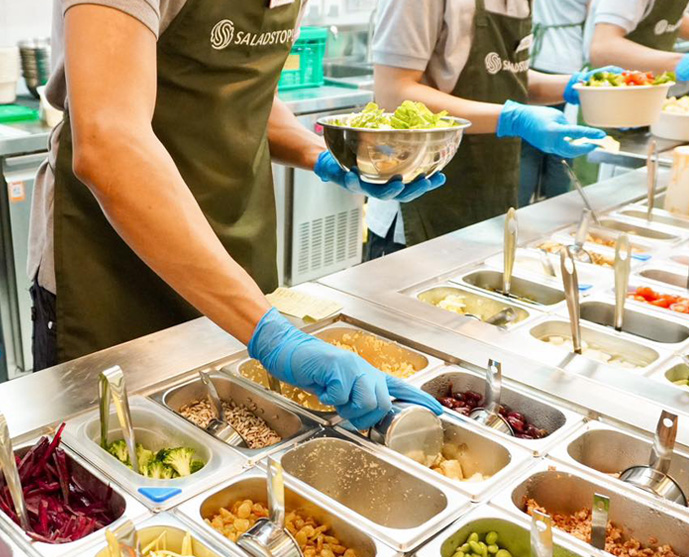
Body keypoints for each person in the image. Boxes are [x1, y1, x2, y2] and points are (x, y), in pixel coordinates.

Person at [27, 0, 444, 429]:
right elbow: (108, 145)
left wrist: (323, 157)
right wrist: (271, 335)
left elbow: (240, 96)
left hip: (235, 259)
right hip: (110, 270)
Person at [365, 0, 611, 259]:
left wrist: (574, 86)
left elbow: (506, 76)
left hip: (489, 197)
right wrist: (513, 118)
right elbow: (393, 92)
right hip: (420, 205)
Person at [518, 0, 591, 208]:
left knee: (529, 146)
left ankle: (521, 210)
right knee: (559, 147)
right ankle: (554, 210)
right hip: (568, 64)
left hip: (535, 59)